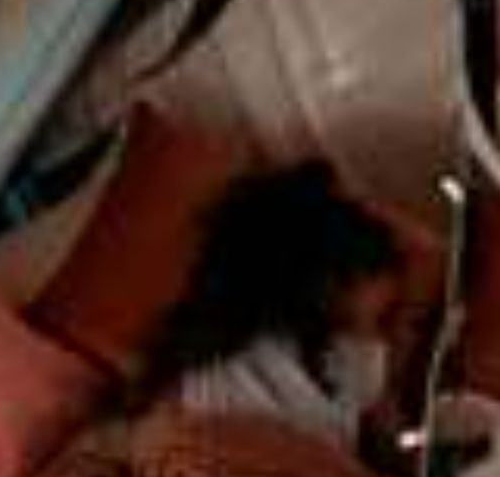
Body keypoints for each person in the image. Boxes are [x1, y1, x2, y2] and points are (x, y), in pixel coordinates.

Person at [130, 158, 404, 453]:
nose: (381, 334)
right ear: (328, 285)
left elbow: (389, 429)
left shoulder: (352, 358)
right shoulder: (229, 370)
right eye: (380, 317)